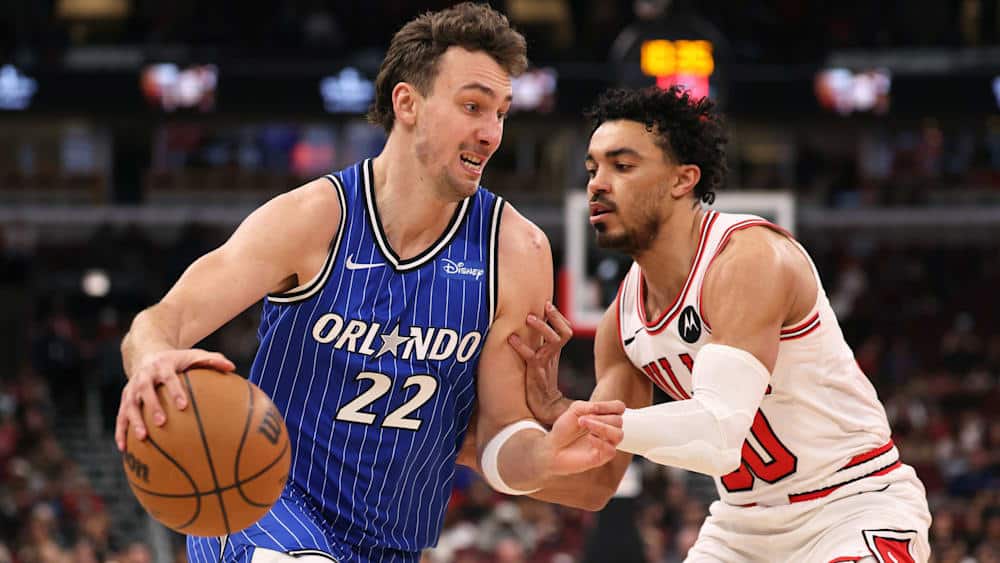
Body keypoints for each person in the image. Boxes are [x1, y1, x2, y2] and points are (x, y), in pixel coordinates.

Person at [115, 4, 625, 563]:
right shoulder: (314, 218)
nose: (491, 133)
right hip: (262, 506)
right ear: (407, 103)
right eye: (473, 106)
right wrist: (151, 359)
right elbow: (163, 320)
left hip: (393, 544)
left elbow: (501, 434)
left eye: (501, 113)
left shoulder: (517, 251)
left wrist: (544, 455)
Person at [508, 86, 933, 562]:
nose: (597, 184)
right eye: (592, 170)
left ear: (683, 179)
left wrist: (583, 416)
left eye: (622, 166)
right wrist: (489, 447)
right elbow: (594, 483)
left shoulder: (749, 259)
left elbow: (718, 436)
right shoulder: (620, 323)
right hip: (742, 528)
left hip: (850, 506)